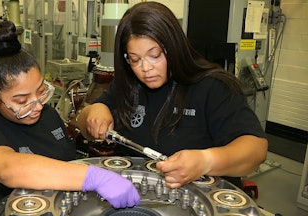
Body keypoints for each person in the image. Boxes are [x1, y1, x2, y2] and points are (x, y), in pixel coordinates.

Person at [75, 2, 268, 189]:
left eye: (155, 55)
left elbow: (256, 150)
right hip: (137, 192)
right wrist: (95, 111)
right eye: (135, 59)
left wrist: (206, 161)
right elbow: (83, 124)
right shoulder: (128, 83)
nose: (145, 68)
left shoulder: (213, 87)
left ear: (174, 45)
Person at [0, 21, 139, 216]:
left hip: (61, 213)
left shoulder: (48, 115)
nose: (37, 105)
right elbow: (8, 168)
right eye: (22, 100)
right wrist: (94, 178)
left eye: (40, 91)